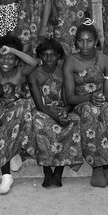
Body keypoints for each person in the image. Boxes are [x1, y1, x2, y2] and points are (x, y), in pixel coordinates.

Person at [63, 20, 108, 188]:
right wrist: (89, 98)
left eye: (89, 40)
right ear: (76, 42)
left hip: (101, 100)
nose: (85, 44)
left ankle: (107, 165)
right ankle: (99, 167)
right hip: (81, 101)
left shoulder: (105, 61)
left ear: (96, 41)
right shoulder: (71, 61)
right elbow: (69, 97)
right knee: (90, 111)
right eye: (81, 40)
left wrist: (100, 99)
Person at [28, 38, 83, 188]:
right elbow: (39, 105)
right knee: (40, 123)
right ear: (40, 56)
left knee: (74, 122)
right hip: (43, 111)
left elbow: (68, 100)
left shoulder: (63, 73)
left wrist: (64, 113)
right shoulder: (34, 75)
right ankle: (47, 171)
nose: (49, 58)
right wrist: (56, 117)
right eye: (45, 55)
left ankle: (59, 171)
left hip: (60, 110)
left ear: (59, 56)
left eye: (53, 55)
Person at [0, 36, 38, 195]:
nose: (6, 61)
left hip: (20, 112)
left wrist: (12, 50)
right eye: (2, 57)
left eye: (11, 58)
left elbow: (34, 63)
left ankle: (6, 175)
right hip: (2, 114)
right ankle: (14, 153)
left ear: (17, 61)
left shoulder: (21, 71)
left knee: (19, 107)